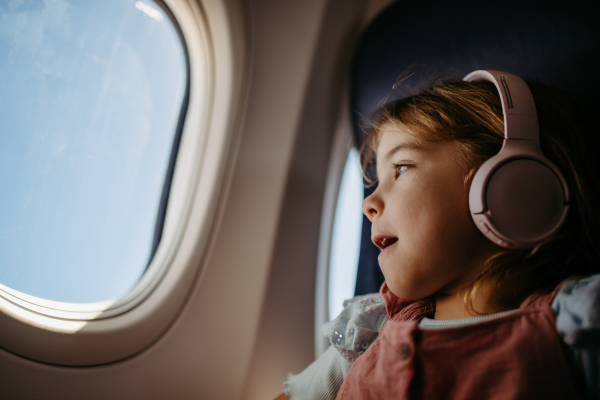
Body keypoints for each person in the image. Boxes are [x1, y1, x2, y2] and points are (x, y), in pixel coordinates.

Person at [274, 71, 600, 400]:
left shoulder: (578, 326)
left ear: (512, 183)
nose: (367, 204)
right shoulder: (369, 334)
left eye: (400, 168)